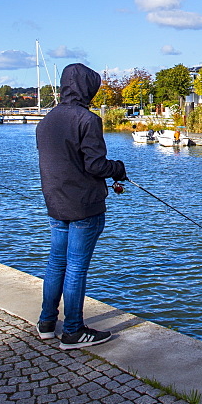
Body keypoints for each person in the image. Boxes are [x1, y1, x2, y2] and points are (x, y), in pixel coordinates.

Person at [36, 63, 128, 350]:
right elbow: (96, 165)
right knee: (76, 268)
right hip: (84, 206)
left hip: (55, 202)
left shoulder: (47, 119)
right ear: (87, 88)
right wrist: (118, 168)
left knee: (56, 263)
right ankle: (73, 331)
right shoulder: (87, 120)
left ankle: (47, 323)